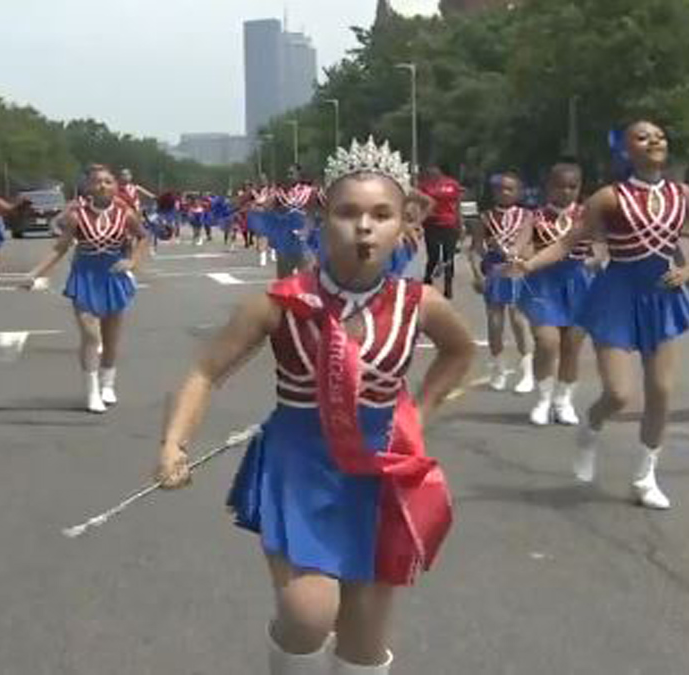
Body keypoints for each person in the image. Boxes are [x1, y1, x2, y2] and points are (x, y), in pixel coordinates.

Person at [156, 138, 474, 675]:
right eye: (349, 213)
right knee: (308, 611)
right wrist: (173, 442)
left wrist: (418, 412)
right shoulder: (279, 302)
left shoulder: (421, 305)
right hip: (300, 465)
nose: (365, 227)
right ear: (321, 217)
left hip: (380, 470)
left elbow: (461, 351)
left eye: (382, 214)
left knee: (363, 641)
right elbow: (206, 371)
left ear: (407, 223)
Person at [510, 120, 689, 510]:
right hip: (617, 296)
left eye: (659, 135)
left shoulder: (682, 194)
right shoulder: (608, 197)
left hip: (662, 295)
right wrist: (529, 264)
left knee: (661, 392)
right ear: (625, 150)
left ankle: (644, 476)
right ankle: (591, 425)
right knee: (619, 394)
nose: (654, 140)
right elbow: (569, 242)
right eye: (642, 136)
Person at [23, 164, 147, 413]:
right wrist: (35, 273)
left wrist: (132, 261)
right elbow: (60, 248)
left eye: (108, 181)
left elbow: (144, 237)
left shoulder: (127, 214)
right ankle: (92, 392)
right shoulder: (76, 216)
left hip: (113, 276)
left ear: (115, 186)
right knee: (91, 336)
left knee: (111, 338)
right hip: (85, 276)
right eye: (97, 181)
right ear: (88, 187)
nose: (103, 185)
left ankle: (108, 384)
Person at [516, 164, 599, 425]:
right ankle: (543, 399)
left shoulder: (588, 216)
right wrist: (519, 257)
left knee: (571, 346)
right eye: (560, 186)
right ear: (548, 187)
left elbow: (603, 244)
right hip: (543, 283)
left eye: (572, 187)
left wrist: (597, 258)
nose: (566, 191)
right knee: (547, 342)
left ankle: (563, 401)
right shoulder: (535, 217)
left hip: (580, 282)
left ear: (580, 187)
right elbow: (522, 244)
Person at [468, 172, 534, 393]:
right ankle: (498, 367)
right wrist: (477, 274)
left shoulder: (527, 216)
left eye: (509, 189)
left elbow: (533, 244)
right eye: (499, 189)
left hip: (518, 270)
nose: (504, 193)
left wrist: (525, 259)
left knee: (519, 319)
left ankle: (527, 370)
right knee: (495, 322)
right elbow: (476, 249)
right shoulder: (485, 218)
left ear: (519, 192)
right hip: (494, 271)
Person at [417, 164, 463, 298]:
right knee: (433, 256)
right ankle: (427, 280)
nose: (433, 174)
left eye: (435, 172)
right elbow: (420, 206)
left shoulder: (452, 184)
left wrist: (461, 224)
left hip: (450, 224)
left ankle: (448, 287)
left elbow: (457, 204)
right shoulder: (424, 186)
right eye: (430, 173)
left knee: (449, 257)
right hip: (431, 224)